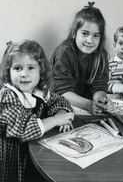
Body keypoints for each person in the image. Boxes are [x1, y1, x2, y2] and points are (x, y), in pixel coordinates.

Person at [0, 40, 74, 182]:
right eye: (17, 68)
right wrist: (55, 120)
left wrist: (61, 114)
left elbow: (60, 100)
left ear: (41, 70)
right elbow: (24, 130)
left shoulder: (39, 91)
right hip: (13, 159)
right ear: (8, 72)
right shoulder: (7, 96)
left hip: (34, 153)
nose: (24, 74)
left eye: (31, 68)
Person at [51, 2, 114, 115]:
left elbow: (99, 85)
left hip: (86, 106)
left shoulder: (101, 55)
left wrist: (101, 101)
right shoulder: (64, 53)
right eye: (85, 34)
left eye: (95, 35)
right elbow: (61, 91)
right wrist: (88, 104)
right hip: (60, 106)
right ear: (75, 33)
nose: (90, 40)